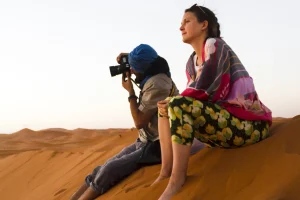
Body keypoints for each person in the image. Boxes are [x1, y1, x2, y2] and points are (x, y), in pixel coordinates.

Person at [153, 4, 273, 200]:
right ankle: (165, 172)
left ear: (204, 25)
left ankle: (177, 179)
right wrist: (171, 102)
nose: (181, 27)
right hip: (226, 126)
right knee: (165, 108)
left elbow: (207, 87)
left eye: (187, 21)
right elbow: (195, 95)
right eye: (181, 23)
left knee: (176, 104)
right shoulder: (192, 62)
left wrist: (176, 100)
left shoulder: (215, 45)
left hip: (250, 126)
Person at [70, 44, 180, 200]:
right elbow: (148, 59)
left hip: (158, 145)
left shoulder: (158, 83)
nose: (132, 71)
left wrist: (130, 92)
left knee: (109, 169)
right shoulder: (155, 67)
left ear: (144, 69)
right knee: (102, 168)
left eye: (134, 68)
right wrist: (128, 57)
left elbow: (139, 122)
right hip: (145, 140)